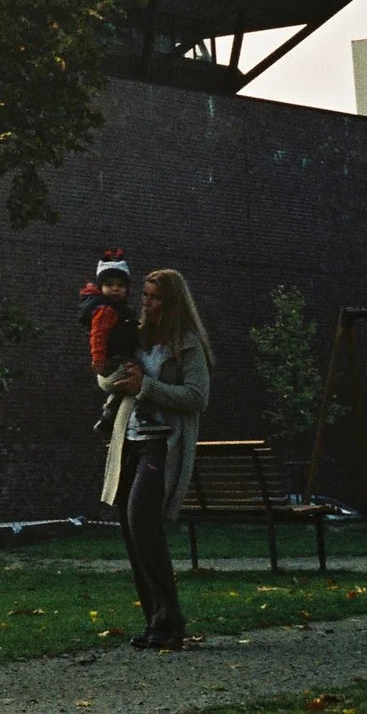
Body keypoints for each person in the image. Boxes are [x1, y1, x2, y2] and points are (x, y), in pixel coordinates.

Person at [100, 268, 212, 651]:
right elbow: (105, 378)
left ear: (173, 302)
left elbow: (197, 396)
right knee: (131, 531)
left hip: (162, 444)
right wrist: (114, 374)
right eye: (144, 294)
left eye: (155, 296)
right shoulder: (136, 336)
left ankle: (169, 621)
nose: (145, 302)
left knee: (141, 520)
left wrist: (145, 385)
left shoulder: (187, 345)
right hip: (129, 440)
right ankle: (156, 622)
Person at [78, 252, 137, 431]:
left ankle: (109, 414)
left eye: (120, 285)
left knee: (127, 383)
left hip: (115, 356)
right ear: (100, 287)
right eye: (109, 285)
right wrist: (98, 358)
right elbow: (98, 335)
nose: (115, 289)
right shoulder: (106, 309)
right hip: (112, 358)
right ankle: (109, 415)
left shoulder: (118, 309)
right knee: (137, 374)